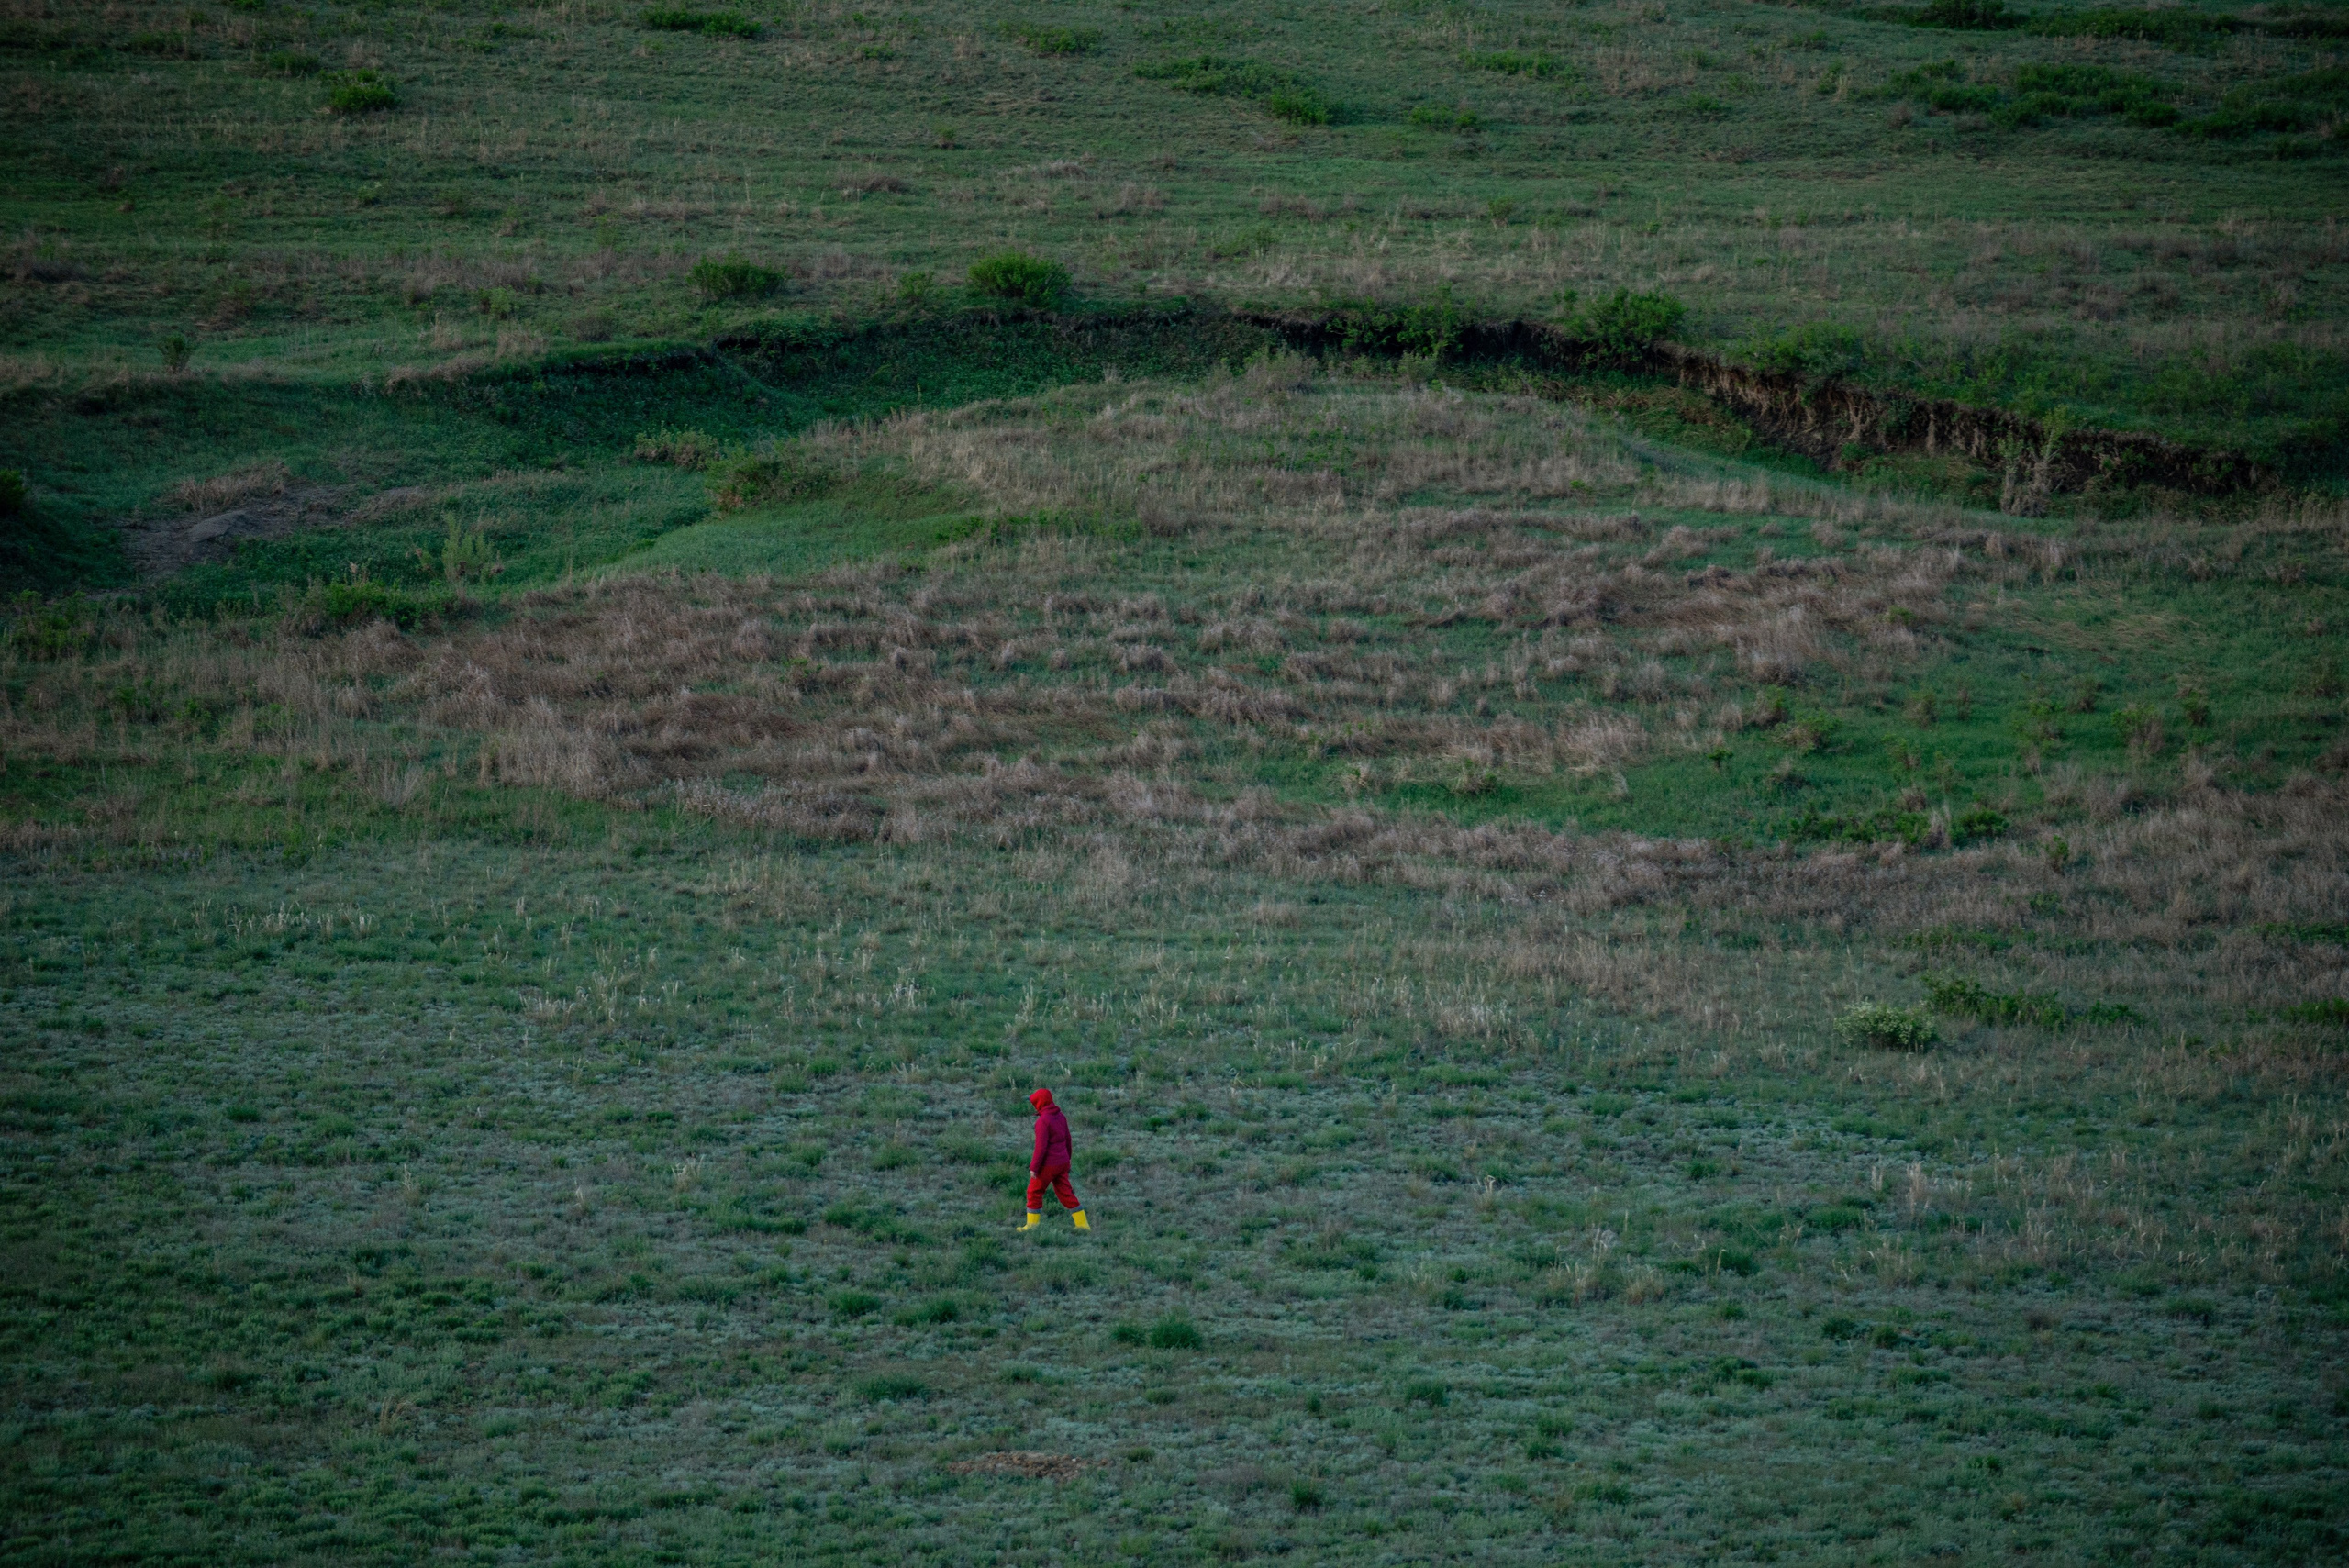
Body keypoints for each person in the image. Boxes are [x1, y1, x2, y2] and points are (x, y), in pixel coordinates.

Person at [1021, 1086, 1088, 1231]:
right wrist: (1067, 1161)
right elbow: (1068, 1140)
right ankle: (1083, 1225)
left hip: (1048, 1165)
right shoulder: (1061, 1116)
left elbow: (1040, 1148)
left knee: (1034, 1192)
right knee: (1066, 1193)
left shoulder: (1042, 1122)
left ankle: (1032, 1227)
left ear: (1039, 1103)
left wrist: (1034, 1168)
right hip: (1062, 1163)